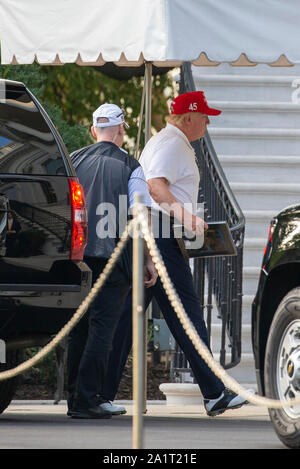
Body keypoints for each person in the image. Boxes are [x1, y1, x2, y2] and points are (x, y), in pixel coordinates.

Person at [102, 91, 253, 417]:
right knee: (186, 317)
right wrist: (189, 219)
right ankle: (214, 393)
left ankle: (98, 393)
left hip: (155, 236)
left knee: (132, 318)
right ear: (188, 117)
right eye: (204, 116)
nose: (208, 122)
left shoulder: (168, 141)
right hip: (162, 238)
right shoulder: (172, 143)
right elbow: (155, 186)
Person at [67, 103, 157, 419]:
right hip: (115, 259)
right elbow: (140, 213)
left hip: (76, 257)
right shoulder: (132, 166)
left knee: (78, 328)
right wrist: (148, 258)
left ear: (94, 130)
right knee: (102, 329)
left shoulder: (73, 160)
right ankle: (88, 399)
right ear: (120, 131)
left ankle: (74, 397)